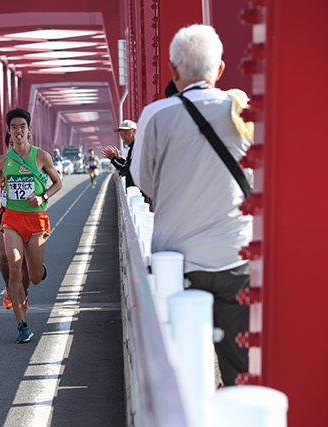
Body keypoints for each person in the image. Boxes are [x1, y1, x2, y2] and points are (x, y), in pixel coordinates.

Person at [130, 24, 254, 386]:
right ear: (219, 71)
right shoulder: (242, 112)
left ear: (173, 71)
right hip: (235, 257)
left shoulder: (155, 115)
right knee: (239, 366)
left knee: (185, 373)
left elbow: (143, 182)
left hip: (177, 262)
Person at [0, 108, 63, 343]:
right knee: (15, 267)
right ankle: (22, 325)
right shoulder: (4, 161)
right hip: (12, 220)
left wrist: (42, 197)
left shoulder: (42, 156)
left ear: (29, 130)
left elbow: (58, 183)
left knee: (34, 276)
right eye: (14, 127)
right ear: (9, 131)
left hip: (35, 219)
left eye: (22, 127)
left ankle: (38, 269)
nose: (18, 131)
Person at [0, 132, 31, 311]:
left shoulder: (32, 161)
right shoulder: (5, 164)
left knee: (25, 263)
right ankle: (10, 288)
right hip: (6, 215)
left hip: (28, 216)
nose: (14, 146)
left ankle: (23, 291)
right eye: (10, 144)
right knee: (3, 254)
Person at [101, 119, 138, 188]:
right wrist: (118, 159)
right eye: (121, 135)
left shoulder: (138, 147)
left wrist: (113, 158)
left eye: (126, 134)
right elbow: (128, 165)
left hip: (139, 192)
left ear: (134, 132)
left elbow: (126, 168)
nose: (123, 138)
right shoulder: (133, 147)